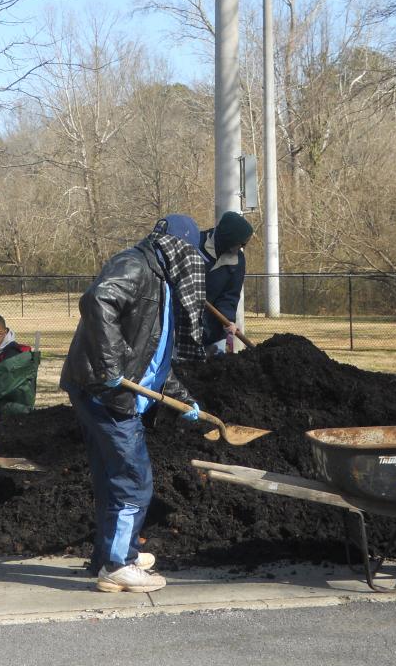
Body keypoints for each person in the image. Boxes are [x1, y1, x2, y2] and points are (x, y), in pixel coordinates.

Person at [59, 214, 207, 593]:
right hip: (107, 393)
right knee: (133, 480)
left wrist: (184, 399)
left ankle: (110, 552)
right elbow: (98, 300)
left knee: (114, 479)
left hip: (108, 388)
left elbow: (149, 358)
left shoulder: (160, 280)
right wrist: (110, 367)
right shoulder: (135, 266)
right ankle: (118, 564)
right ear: (178, 249)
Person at [199, 211, 254, 353]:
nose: (242, 248)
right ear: (228, 238)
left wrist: (228, 319)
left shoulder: (238, 260)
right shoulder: (196, 244)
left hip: (214, 330)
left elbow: (230, 294)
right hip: (184, 325)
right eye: (240, 243)